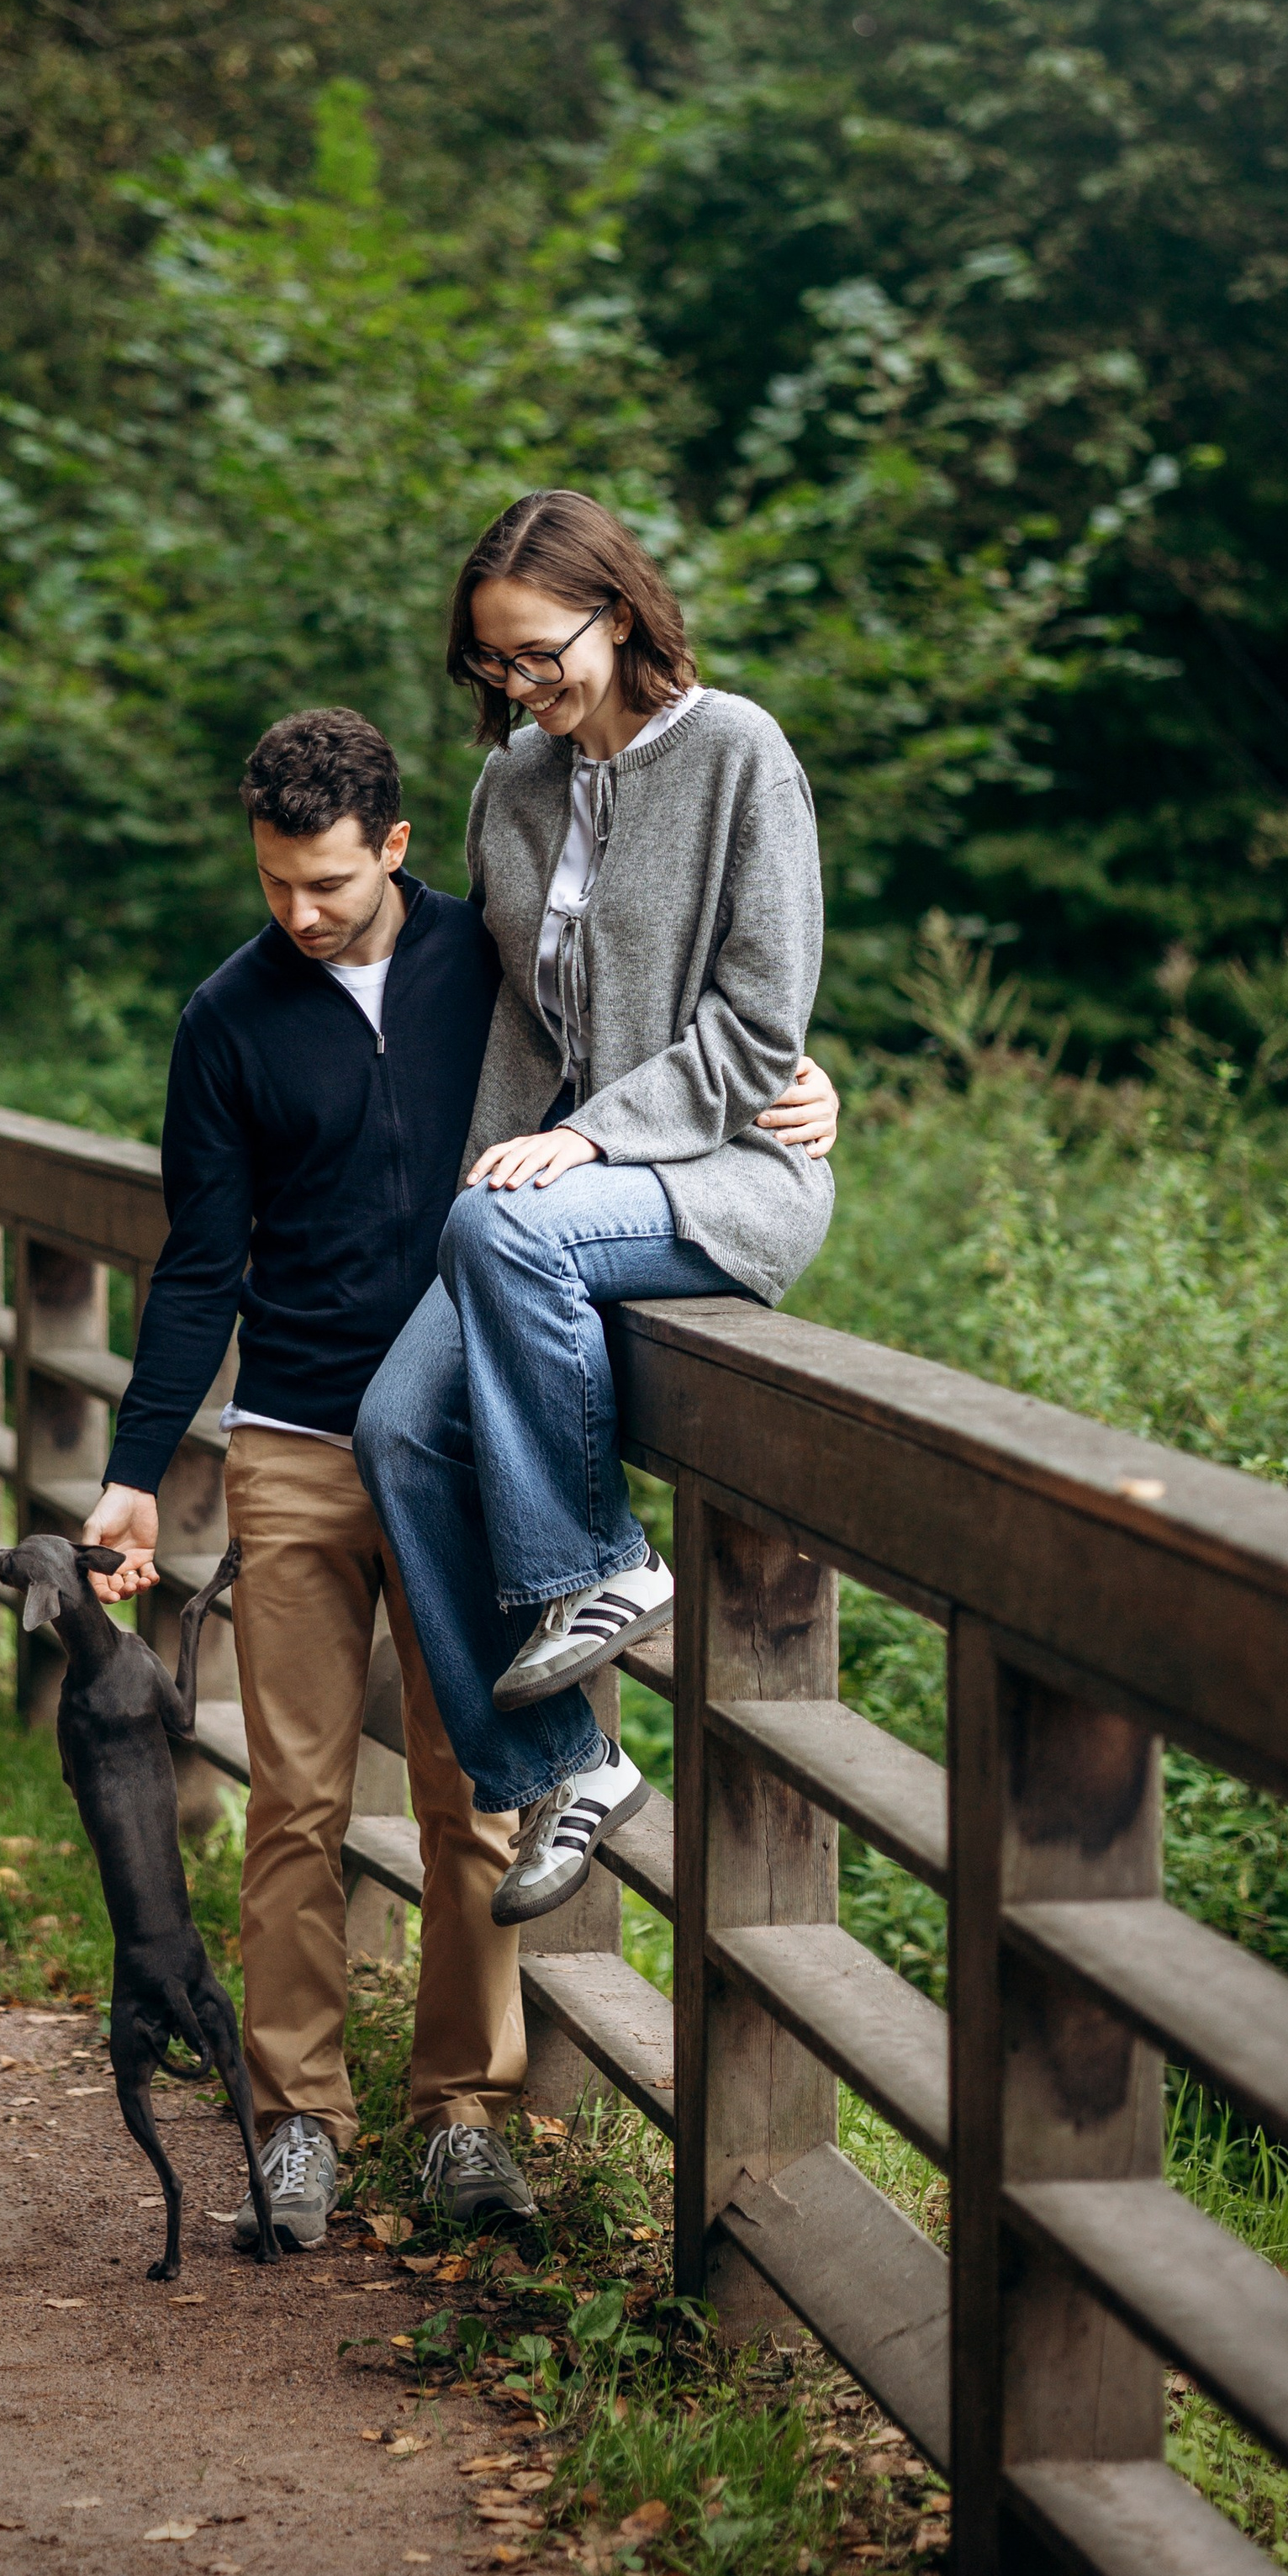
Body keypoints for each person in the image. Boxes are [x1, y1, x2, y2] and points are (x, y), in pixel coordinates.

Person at [82, 706, 838, 2245]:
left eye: (334, 889)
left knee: (469, 1803)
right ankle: (296, 2126)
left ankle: (464, 2122)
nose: (302, 915)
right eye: (277, 883)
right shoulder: (226, 1019)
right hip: (295, 1445)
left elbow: (649, 1042)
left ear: (401, 850)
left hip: (461, 1452)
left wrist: (804, 1091)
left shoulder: (482, 963)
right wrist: (134, 1471)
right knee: (293, 1803)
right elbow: (196, 1264)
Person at [353, 490, 833, 1932]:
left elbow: (760, 1031)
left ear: (618, 615)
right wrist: (521, 1151)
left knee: (503, 1231)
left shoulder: (741, 752)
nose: (517, 685)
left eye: (537, 651)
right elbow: (516, 1014)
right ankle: (564, 1765)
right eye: (492, 664)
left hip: (724, 1173)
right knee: (395, 1427)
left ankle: (602, 1566)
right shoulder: (514, 785)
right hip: (538, 1197)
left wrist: (588, 1141)